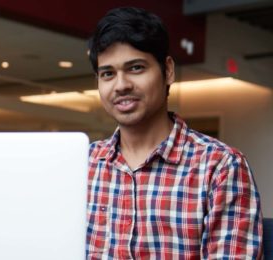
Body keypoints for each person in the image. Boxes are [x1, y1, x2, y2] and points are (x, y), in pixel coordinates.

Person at [86, 7, 263, 259]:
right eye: (108, 74)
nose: (121, 85)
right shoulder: (84, 164)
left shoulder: (220, 167)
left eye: (136, 68)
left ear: (167, 70)